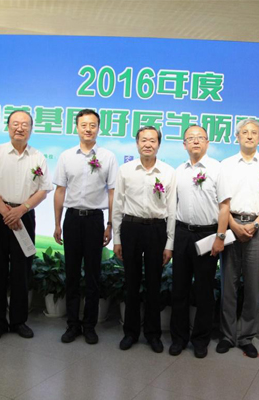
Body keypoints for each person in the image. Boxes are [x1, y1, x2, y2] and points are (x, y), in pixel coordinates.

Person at [0, 110, 53, 342]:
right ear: (8, 126)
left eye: (25, 124)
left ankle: (19, 321)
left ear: (31, 128)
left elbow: (43, 189)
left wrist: (21, 210)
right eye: (15, 123)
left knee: (22, 271)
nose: (20, 128)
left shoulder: (38, 156)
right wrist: (6, 212)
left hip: (24, 216)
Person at [53, 109, 118, 345]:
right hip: (71, 219)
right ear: (77, 127)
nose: (88, 129)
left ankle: (89, 326)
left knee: (92, 275)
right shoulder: (66, 156)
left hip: (94, 220)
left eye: (92, 125)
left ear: (98, 128)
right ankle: (72, 325)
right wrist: (57, 223)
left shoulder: (108, 157)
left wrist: (110, 225)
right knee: (71, 274)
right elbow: (60, 191)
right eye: (84, 125)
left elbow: (112, 193)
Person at [217, 118, 259, 358]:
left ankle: (246, 337)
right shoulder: (226, 165)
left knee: (253, 286)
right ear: (237, 136)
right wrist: (232, 225)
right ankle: (227, 335)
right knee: (228, 284)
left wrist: (254, 225)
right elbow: (221, 200)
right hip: (231, 223)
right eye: (245, 132)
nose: (250, 136)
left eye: (254, 132)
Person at [112, 126, 176, 353]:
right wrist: (117, 239)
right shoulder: (125, 170)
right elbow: (117, 206)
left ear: (159, 144)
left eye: (152, 140)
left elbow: (172, 210)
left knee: (153, 284)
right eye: (143, 140)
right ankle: (130, 332)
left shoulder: (168, 172)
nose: (148, 144)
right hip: (130, 228)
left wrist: (169, 243)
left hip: (156, 229)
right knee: (131, 283)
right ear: (137, 143)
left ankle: (152, 334)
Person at [170, 125, 230, 359]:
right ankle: (178, 338)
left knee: (204, 290)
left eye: (200, 138)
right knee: (179, 288)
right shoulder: (179, 171)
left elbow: (224, 206)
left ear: (207, 142)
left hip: (207, 235)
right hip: (182, 233)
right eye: (190, 138)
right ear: (184, 144)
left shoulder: (218, 169)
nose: (195, 141)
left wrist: (220, 236)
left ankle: (201, 340)